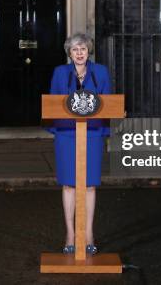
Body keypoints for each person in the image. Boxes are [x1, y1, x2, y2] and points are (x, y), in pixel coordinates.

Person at [48, 32, 111, 255]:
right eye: (75, 49)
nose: (79, 53)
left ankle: (88, 233)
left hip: (92, 133)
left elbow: (108, 103)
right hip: (66, 134)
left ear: (88, 51)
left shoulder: (101, 72)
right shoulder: (59, 73)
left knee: (90, 184)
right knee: (69, 184)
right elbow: (53, 103)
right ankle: (70, 233)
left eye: (83, 48)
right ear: (69, 53)